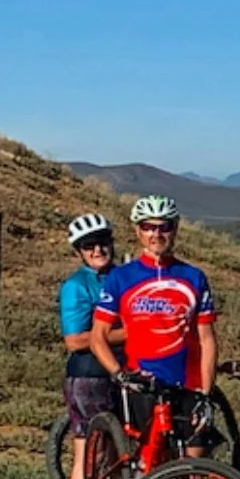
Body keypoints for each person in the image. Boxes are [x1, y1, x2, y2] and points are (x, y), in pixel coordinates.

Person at [88, 195, 219, 460]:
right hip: (141, 384)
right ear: (137, 230)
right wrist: (119, 374)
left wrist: (206, 391)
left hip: (187, 383)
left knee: (196, 466)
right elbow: (97, 337)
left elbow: (207, 339)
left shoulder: (194, 277)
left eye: (164, 226)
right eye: (148, 227)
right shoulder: (120, 277)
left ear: (175, 229)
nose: (156, 233)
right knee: (150, 463)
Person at [59, 213, 123, 479]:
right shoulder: (76, 286)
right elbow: (75, 339)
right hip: (89, 374)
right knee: (89, 453)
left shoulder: (121, 277)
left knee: (119, 451)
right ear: (79, 252)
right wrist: (129, 333)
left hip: (123, 371)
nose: (98, 249)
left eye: (103, 242)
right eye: (89, 245)